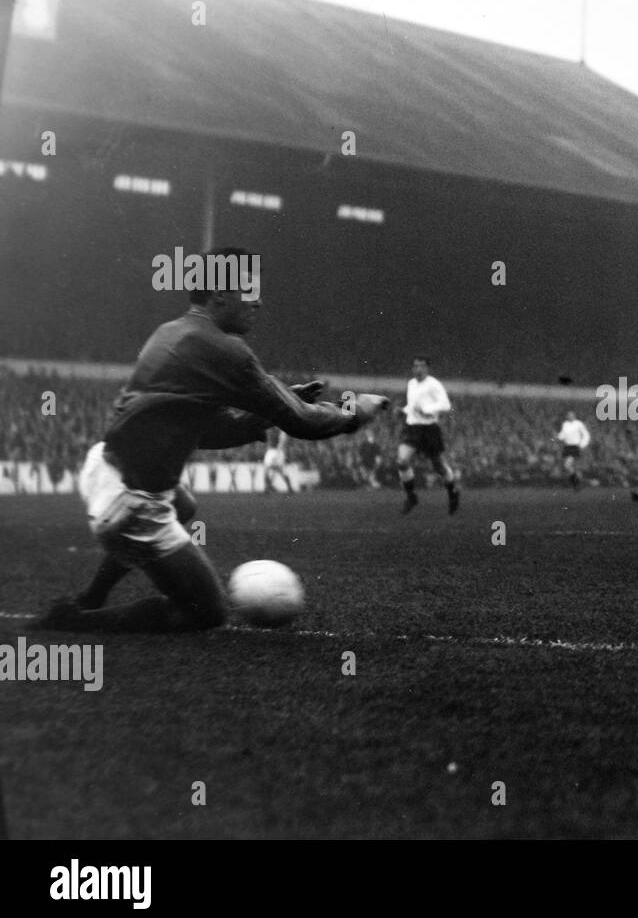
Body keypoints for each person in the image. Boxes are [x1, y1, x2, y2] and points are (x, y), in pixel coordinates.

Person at [33, 247, 388, 632]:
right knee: (206, 613)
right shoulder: (226, 350)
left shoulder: (171, 331)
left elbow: (208, 433)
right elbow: (304, 423)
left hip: (104, 467)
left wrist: (273, 406)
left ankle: (91, 596)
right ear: (220, 296)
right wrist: (354, 413)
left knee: (184, 504)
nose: (260, 302)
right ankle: (79, 621)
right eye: (250, 291)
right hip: (131, 502)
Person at [397, 356, 459, 515]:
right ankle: (411, 497)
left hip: (429, 429)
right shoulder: (411, 384)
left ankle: (452, 493)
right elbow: (412, 406)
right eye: (415, 366)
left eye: (421, 366)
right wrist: (403, 411)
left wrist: (428, 409)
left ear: (427, 368)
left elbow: (446, 405)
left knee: (438, 465)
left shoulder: (433, 384)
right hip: (412, 428)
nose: (418, 369)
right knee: (402, 461)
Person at [555, 410, 591, 490]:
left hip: (575, 446)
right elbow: (563, 435)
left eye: (571, 415)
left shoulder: (579, 424)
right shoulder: (565, 424)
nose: (569, 416)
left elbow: (586, 434)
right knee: (569, 467)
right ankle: (576, 483)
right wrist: (558, 437)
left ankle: (576, 483)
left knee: (568, 465)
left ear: (574, 416)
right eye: (568, 415)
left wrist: (582, 444)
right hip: (567, 446)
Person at [262, 427, 293, 493]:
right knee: (266, 470)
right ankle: (266, 488)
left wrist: (277, 453)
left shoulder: (281, 431)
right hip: (270, 451)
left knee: (280, 470)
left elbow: (282, 442)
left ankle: (290, 488)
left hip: (277, 451)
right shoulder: (269, 429)